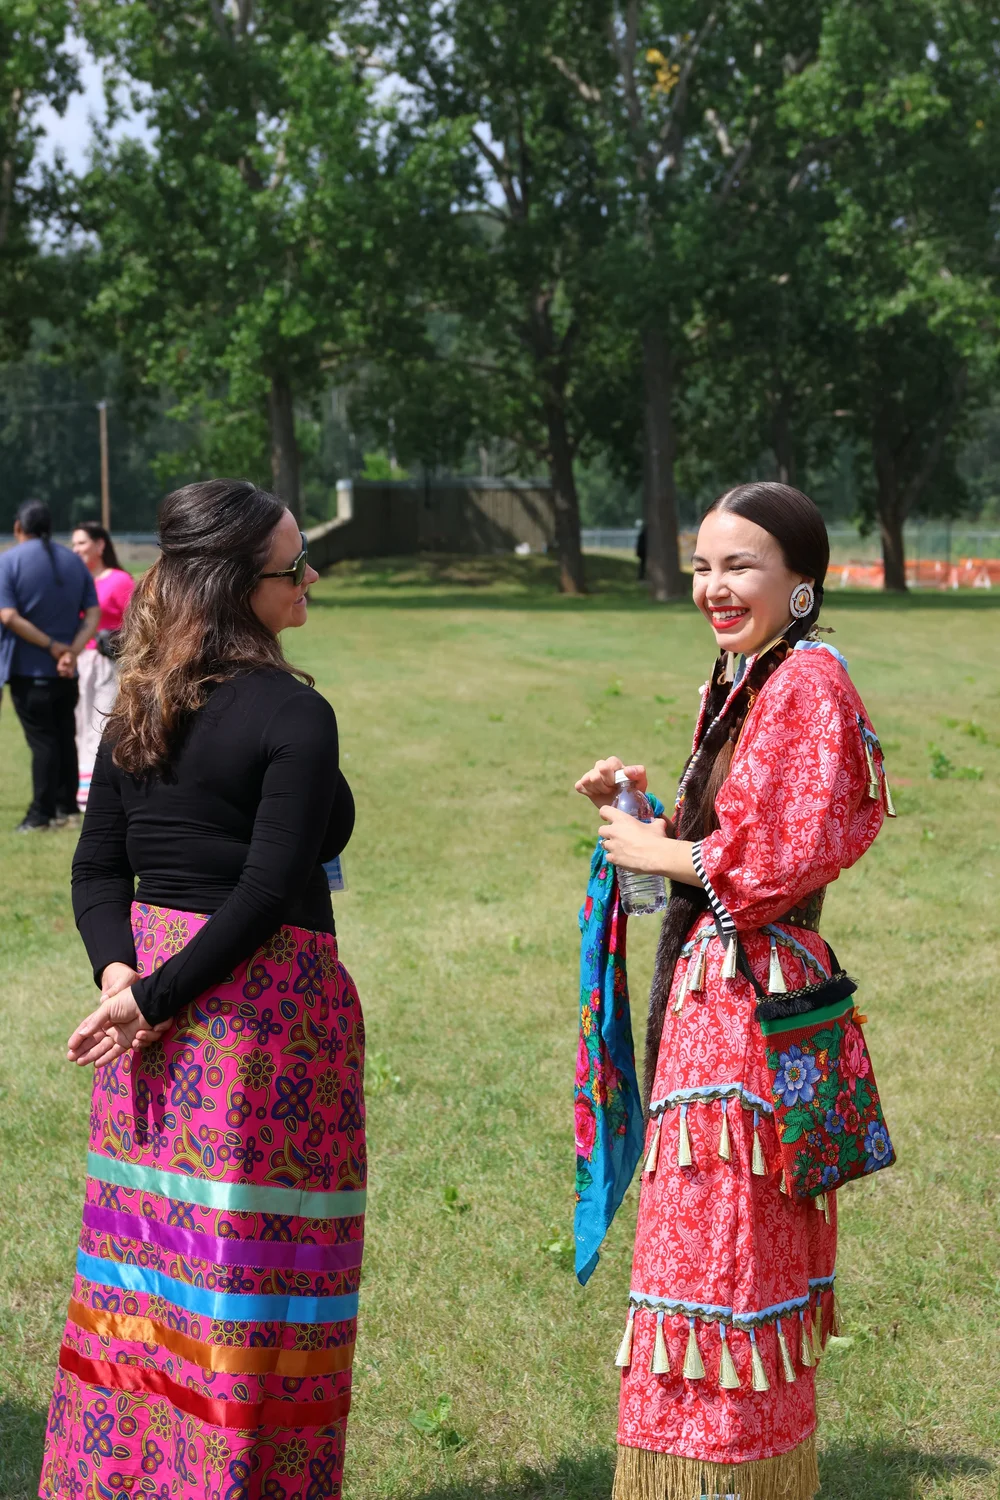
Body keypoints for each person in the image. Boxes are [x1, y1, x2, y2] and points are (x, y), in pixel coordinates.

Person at [39, 480, 364, 1500]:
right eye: (291, 565)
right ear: (236, 585)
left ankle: (129, 1478)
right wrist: (147, 994)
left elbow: (100, 874)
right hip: (261, 1025)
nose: (309, 576)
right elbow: (268, 891)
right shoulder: (295, 713)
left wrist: (125, 976)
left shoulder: (142, 695)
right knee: (252, 1271)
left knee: (155, 1262)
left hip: (159, 1013)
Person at [575, 482, 889, 1500]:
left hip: (747, 1006)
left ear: (800, 581)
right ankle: (710, 1474)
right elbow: (728, 840)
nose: (714, 585)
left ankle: (726, 1476)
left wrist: (660, 848)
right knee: (709, 1235)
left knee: (730, 1241)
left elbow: (767, 864)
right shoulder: (749, 673)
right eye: (703, 565)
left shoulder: (806, 681)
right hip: (718, 991)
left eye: (739, 565)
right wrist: (642, 819)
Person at [0, 500, 100, 831]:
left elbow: (8, 616)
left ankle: (40, 814)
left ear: (18, 528)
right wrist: (70, 650)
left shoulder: (9, 561)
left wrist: (51, 647)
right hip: (67, 670)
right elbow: (93, 613)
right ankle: (67, 808)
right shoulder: (73, 562)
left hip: (30, 669)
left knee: (42, 741)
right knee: (64, 736)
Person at [70, 521, 136, 809]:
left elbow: (135, 622)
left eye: (82, 543)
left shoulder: (119, 580)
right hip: (78, 660)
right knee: (79, 723)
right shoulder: (76, 580)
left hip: (108, 661)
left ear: (100, 545)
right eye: (73, 544)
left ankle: (99, 790)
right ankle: (82, 787)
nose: (76, 549)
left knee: (102, 722)